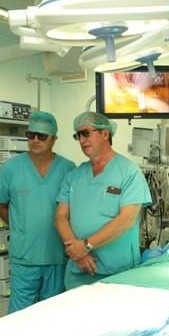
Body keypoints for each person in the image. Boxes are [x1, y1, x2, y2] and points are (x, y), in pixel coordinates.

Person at [0, 111, 75, 336]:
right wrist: (20, 228)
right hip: (25, 257)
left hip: (57, 256)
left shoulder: (68, 169)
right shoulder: (11, 169)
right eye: (30, 135)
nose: (35, 140)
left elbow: (72, 209)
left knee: (54, 318)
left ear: (54, 139)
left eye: (42, 136)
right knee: (19, 317)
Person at [55, 111, 151, 290]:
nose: (82, 140)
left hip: (117, 272)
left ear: (105, 133)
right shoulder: (75, 176)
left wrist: (86, 245)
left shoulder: (129, 172)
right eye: (78, 136)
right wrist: (77, 252)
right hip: (79, 269)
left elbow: (126, 219)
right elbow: (61, 216)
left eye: (85, 133)